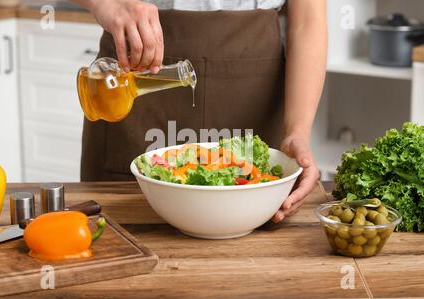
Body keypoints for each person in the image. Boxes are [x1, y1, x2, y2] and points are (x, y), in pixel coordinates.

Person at [73, 0, 327, 223]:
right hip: (133, 75)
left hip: (254, 89)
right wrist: (104, 3)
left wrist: (298, 131)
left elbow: (308, 20)